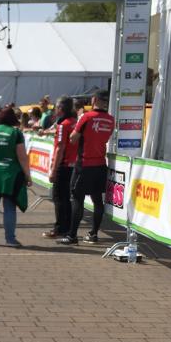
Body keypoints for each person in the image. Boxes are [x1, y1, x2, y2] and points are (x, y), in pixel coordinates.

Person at [58, 89, 115, 245]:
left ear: (94, 100)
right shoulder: (111, 119)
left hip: (84, 164)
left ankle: (72, 236)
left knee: (77, 199)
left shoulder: (86, 117)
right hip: (100, 164)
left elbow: (73, 139)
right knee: (97, 200)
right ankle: (93, 234)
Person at [0, 107, 32, 247]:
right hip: (10, 173)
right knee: (9, 208)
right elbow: (22, 157)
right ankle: (10, 239)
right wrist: (28, 175)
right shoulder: (16, 133)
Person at [43, 96, 76, 239]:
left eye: (56, 107)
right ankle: (67, 227)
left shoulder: (63, 125)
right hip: (73, 165)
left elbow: (60, 148)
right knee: (66, 198)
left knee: (58, 198)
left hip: (64, 164)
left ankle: (60, 228)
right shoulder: (75, 122)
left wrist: (53, 170)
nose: (54, 110)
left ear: (61, 108)